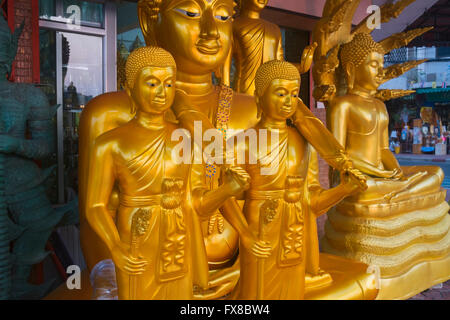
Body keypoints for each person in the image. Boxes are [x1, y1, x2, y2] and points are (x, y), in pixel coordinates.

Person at [86, 47, 253, 299]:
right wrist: (116, 247)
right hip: (137, 243)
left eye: (168, 84)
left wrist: (227, 189)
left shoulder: (184, 137)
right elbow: (95, 206)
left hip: (179, 243)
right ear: (130, 88)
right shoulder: (109, 143)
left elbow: (193, 203)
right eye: (152, 84)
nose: (161, 93)